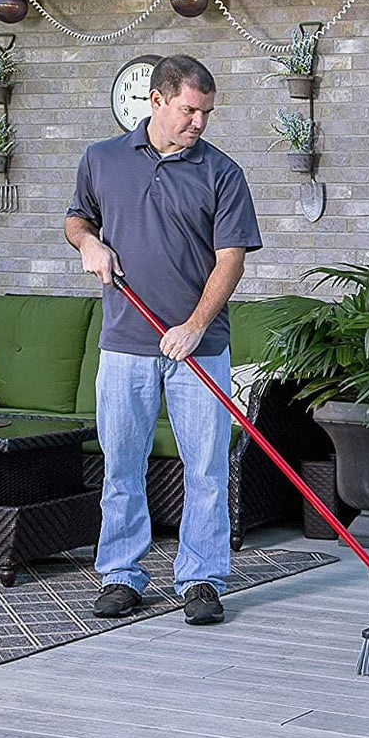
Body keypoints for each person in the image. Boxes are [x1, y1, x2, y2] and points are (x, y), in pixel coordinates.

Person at [65, 54, 261, 626]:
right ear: (156, 101)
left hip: (199, 347)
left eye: (207, 113)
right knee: (121, 464)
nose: (199, 122)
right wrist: (89, 244)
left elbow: (231, 261)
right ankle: (121, 575)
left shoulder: (222, 173)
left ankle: (201, 579)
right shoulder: (102, 159)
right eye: (189, 110)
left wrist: (195, 326)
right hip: (125, 342)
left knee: (206, 470)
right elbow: (77, 219)